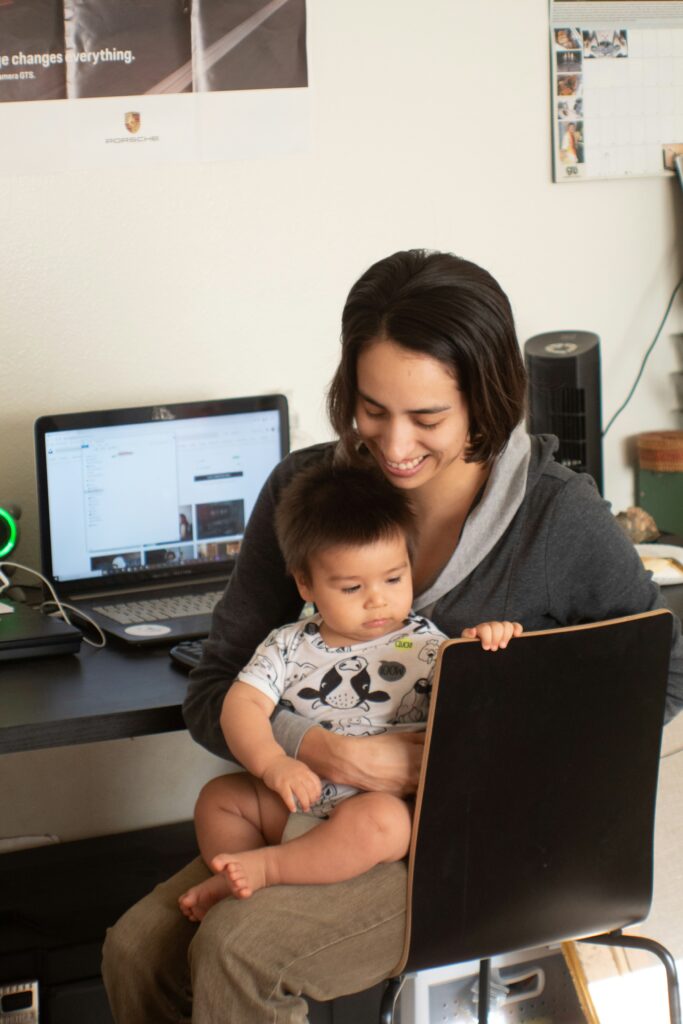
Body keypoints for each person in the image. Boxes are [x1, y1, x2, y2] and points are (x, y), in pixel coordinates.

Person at [102, 249, 683, 1024]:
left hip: (483, 842)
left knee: (240, 950)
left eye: (428, 418)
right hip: (324, 811)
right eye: (371, 409)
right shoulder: (308, 497)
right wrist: (322, 749)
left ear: (486, 400)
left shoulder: (556, 519)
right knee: (136, 949)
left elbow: (662, 677)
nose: (394, 444)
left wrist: (478, 757)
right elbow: (214, 693)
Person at [177, 463, 521, 919]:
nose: (377, 600)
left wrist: (489, 644)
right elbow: (240, 705)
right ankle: (232, 882)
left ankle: (268, 869)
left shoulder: (429, 645)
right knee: (218, 800)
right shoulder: (287, 644)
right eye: (352, 587)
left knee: (386, 824)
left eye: (394, 579)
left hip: (372, 813)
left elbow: (480, 705)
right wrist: (273, 762)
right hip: (301, 800)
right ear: (306, 584)